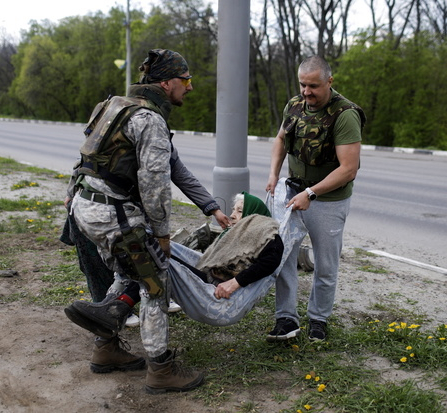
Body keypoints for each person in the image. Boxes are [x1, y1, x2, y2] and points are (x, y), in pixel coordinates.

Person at [66, 48, 223, 394]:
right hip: (115, 215)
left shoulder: (114, 107)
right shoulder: (150, 120)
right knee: (154, 283)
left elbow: (86, 157)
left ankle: (106, 349)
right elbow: (155, 183)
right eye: (186, 80)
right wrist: (163, 235)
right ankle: (161, 370)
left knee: (128, 272)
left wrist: (211, 207)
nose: (190, 87)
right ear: (167, 83)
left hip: (86, 208)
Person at [66, 191, 284, 331]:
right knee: (155, 248)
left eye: (239, 211)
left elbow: (272, 259)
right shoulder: (242, 236)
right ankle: (114, 305)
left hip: (216, 293)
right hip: (206, 280)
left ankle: (117, 308)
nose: (233, 215)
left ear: (253, 215)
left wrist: (235, 283)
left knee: (157, 260)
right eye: (234, 209)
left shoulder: (263, 232)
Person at [265, 55, 366, 342]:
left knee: (325, 263)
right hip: (293, 191)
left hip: (328, 200)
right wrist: (274, 174)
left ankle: (318, 319)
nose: (307, 92)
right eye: (302, 85)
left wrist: (311, 193)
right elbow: (281, 139)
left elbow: (348, 169)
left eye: (313, 86)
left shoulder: (345, 114)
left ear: (329, 82)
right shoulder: (295, 105)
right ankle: (286, 318)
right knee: (284, 255)